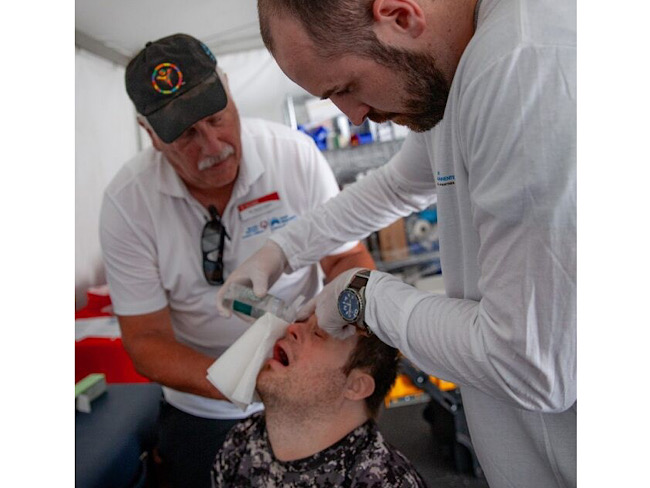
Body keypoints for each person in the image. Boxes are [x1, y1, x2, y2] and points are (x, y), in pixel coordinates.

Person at [217, 1, 577, 487]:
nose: (356, 118)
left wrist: (364, 296)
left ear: (400, 15)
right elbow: (397, 186)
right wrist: (281, 250)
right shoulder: (453, 69)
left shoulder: (519, 68)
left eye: (346, 87)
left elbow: (529, 363)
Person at [99, 33, 375, 488]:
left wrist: (354, 317)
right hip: (203, 409)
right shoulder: (128, 203)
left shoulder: (294, 155)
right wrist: (238, 383)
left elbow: (346, 257)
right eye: (185, 135)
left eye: (216, 117)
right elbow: (145, 341)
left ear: (229, 89)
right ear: (149, 134)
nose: (212, 146)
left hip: (314, 394)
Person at [211, 314, 427, 487]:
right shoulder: (243, 439)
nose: (291, 329)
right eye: (300, 322)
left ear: (355, 385)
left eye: (317, 334)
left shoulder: (382, 480)